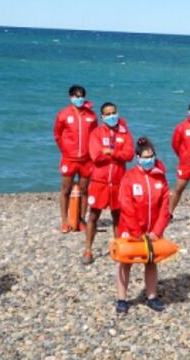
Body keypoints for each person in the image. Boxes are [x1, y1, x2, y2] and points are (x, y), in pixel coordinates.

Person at [115, 137, 170, 314]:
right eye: (145, 157)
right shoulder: (129, 177)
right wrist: (136, 232)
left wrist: (157, 230)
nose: (149, 160)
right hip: (130, 230)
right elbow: (126, 205)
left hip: (152, 230)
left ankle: (151, 296)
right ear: (138, 158)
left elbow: (164, 206)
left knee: (151, 262)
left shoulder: (160, 178)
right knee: (125, 262)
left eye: (152, 156)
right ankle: (122, 299)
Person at [83, 102, 134, 265]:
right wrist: (114, 154)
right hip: (100, 181)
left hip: (118, 181)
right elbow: (96, 156)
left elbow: (129, 155)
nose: (112, 116)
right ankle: (88, 250)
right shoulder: (96, 133)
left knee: (118, 216)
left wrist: (111, 152)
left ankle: (118, 248)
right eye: (108, 114)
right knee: (93, 215)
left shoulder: (125, 134)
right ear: (102, 117)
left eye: (114, 112)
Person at [52, 85, 97, 232]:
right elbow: (57, 135)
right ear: (70, 97)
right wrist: (65, 150)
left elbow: (95, 135)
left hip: (86, 159)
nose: (79, 99)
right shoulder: (63, 115)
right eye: (76, 96)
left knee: (85, 189)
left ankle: (81, 219)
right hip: (69, 158)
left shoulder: (91, 115)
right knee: (66, 189)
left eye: (81, 96)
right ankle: (65, 221)